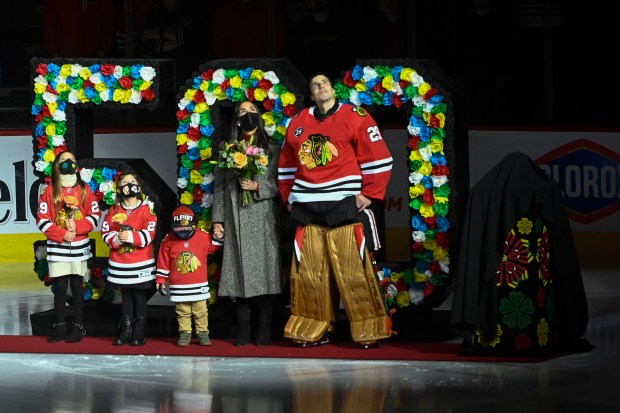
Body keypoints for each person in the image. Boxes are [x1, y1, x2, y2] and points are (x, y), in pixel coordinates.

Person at [277, 73, 394, 347]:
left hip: (344, 207)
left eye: (324, 83)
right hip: (307, 209)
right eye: (314, 85)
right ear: (311, 94)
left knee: (354, 270)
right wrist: (289, 199)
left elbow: (379, 156)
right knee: (309, 274)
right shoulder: (297, 122)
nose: (320, 87)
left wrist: (370, 193)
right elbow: (286, 165)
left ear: (332, 89)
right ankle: (314, 325)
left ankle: (369, 325)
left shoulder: (355, 115)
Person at [212, 100, 283, 346]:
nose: (248, 115)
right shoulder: (228, 148)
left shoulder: (272, 149)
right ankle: (243, 329)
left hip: (263, 217)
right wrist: (217, 219)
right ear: (236, 120)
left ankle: (264, 329)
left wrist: (257, 186)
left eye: (252, 111)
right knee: (238, 275)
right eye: (242, 112)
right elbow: (220, 186)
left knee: (265, 275)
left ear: (259, 118)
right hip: (235, 217)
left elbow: (280, 184)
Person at [36, 151, 101, 343]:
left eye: (71, 160)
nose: (67, 163)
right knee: (61, 286)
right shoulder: (49, 190)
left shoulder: (84, 188)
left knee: (77, 285)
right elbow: (42, 220)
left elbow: (94, 215)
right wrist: (62, 234)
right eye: (63, 160)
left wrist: (78, 227)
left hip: (79, 246)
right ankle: (60, 325)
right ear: (57, 165)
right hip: (58, 246)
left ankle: (79, 326)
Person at [101, 172, 158, 346]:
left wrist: (131, 236)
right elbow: (105, 232)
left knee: (140, 295)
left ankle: (139, 330)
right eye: (124, 182)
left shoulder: (147, 209)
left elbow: (150, 233)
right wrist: (118, 238)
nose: (129, 185)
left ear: (139, 188)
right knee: (125, 295)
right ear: (119, 189)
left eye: (132, 181)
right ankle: (126, 329)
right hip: (121, 263)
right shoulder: (114, 210)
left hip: (140, 263)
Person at [156, 205, 223, 346]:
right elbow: (163, 261)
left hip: (199, 285)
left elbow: (214, 246)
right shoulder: (168, 239)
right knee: (182, 312)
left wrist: (219, 235)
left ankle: (203, 334)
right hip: (179, 286)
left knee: (201, 311)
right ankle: (184, 334)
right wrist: (161, 279)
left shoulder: (202, 235)